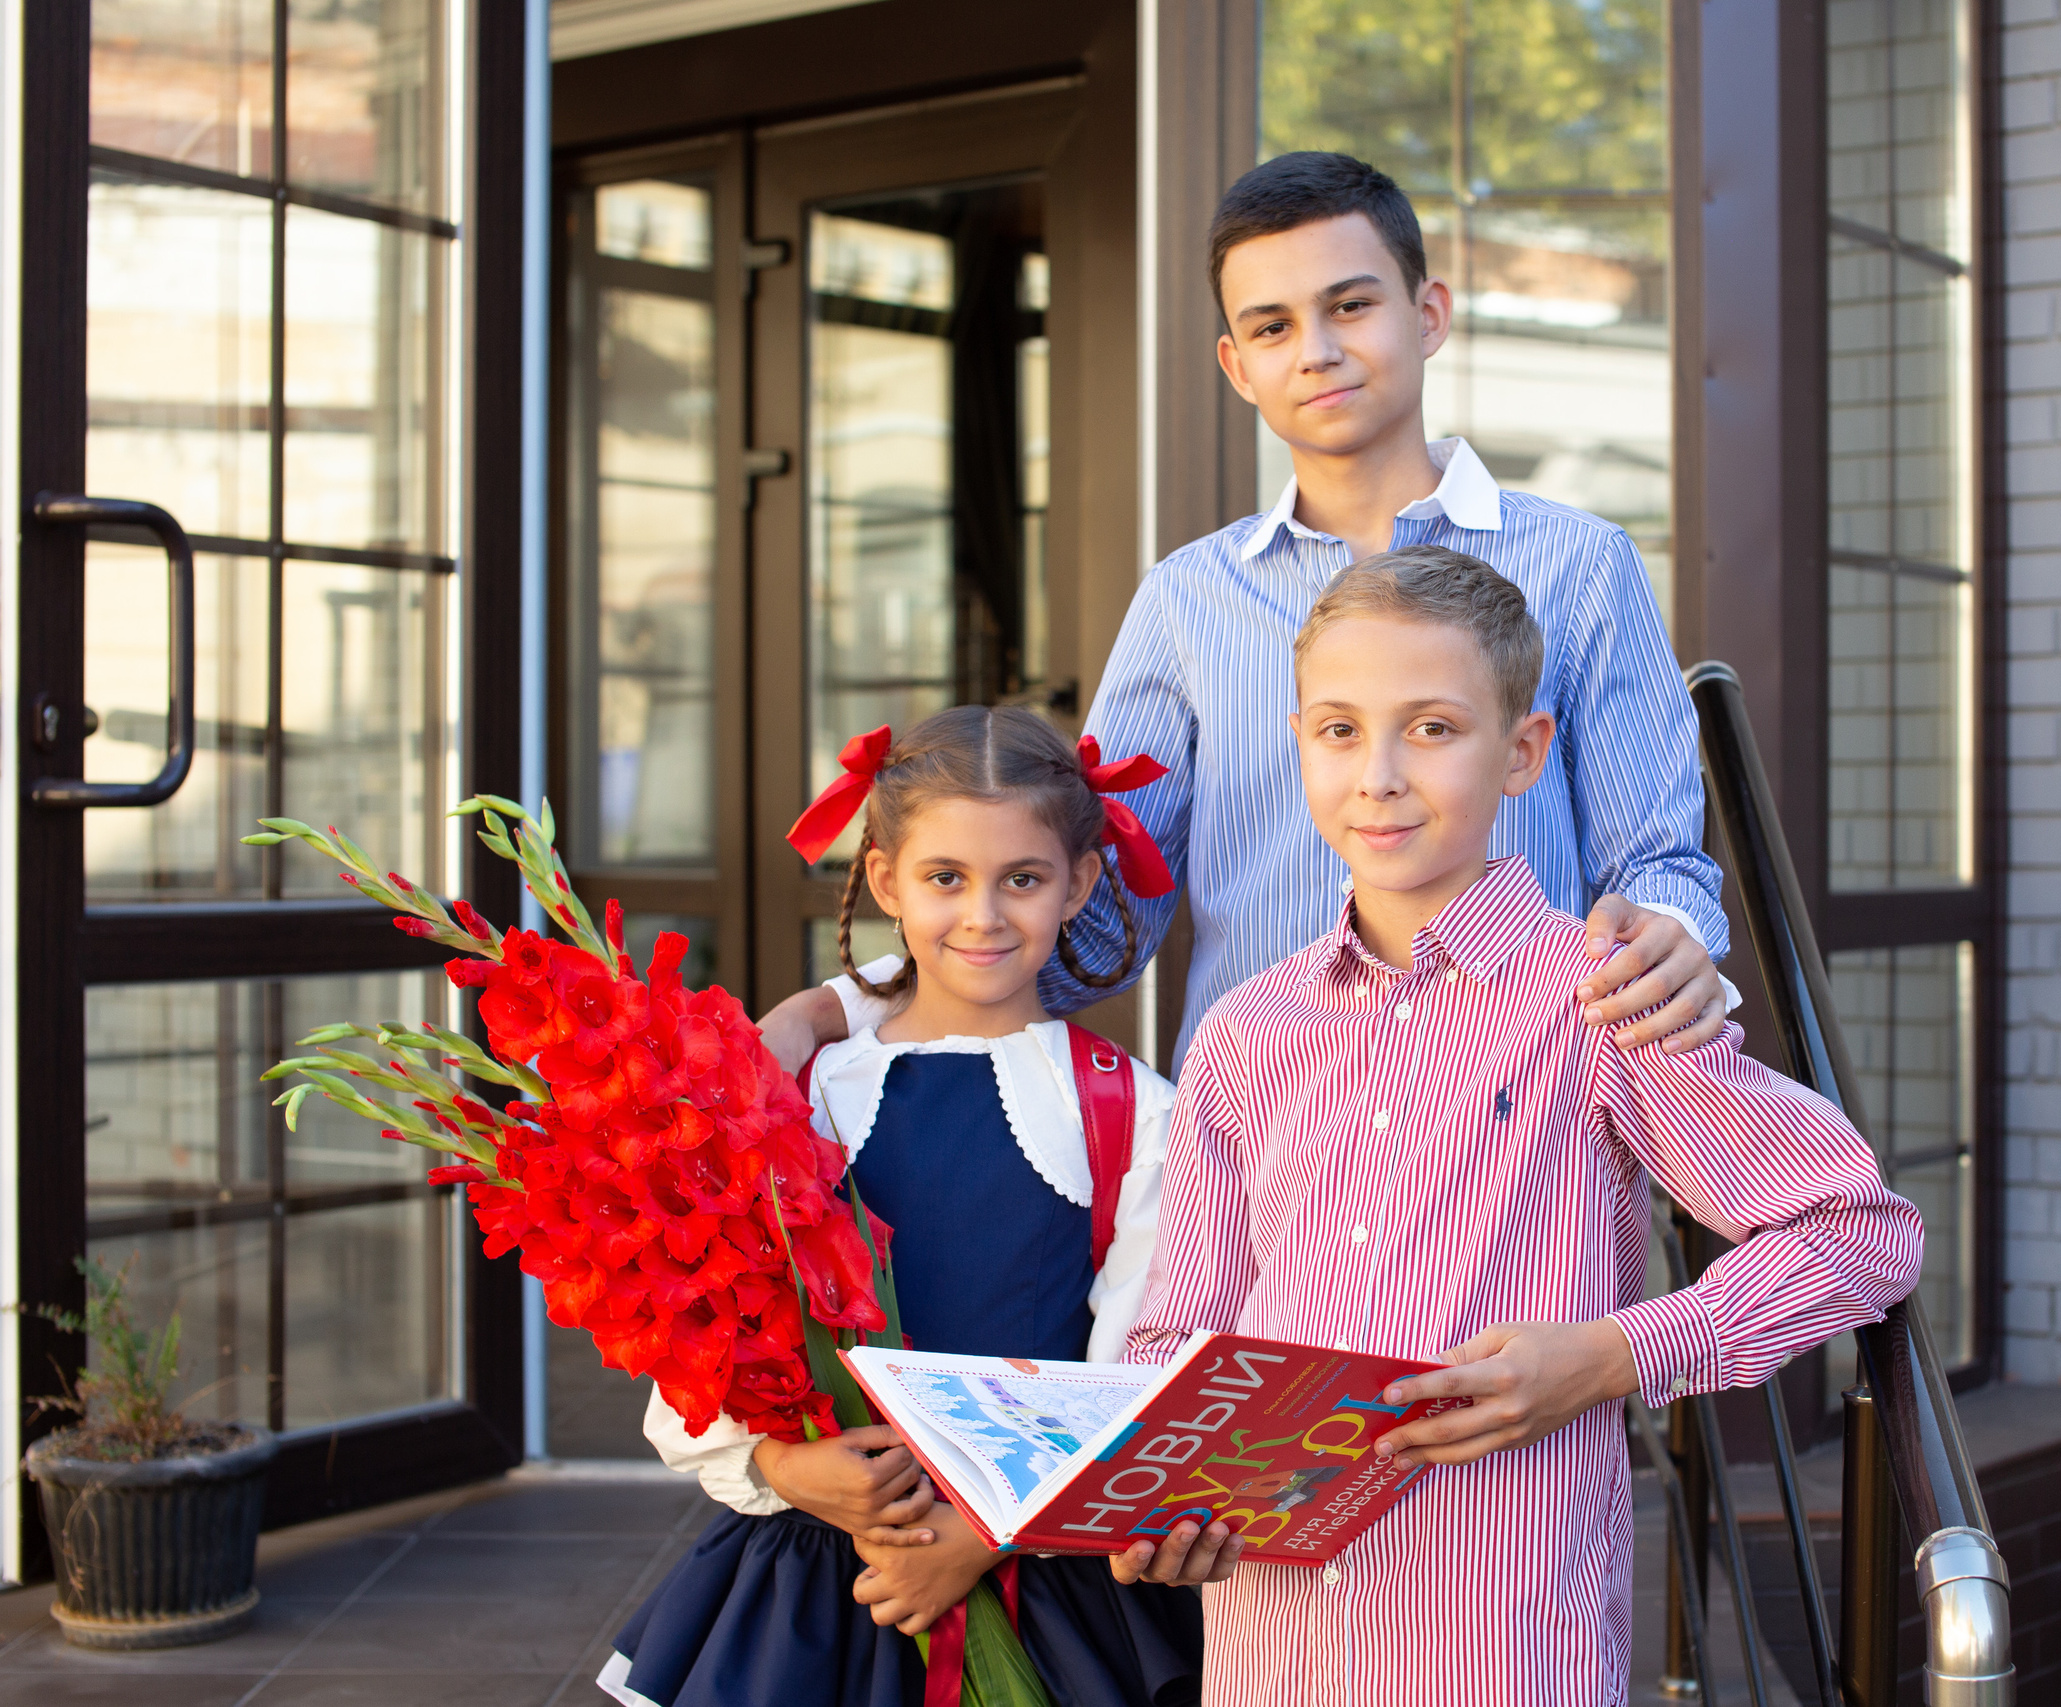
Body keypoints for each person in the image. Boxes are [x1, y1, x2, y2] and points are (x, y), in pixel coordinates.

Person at [1107, 548, 1924, 1706]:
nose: (1379, 776)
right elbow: (1178, 1343)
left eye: (1431, 728)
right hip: (1271, 1650)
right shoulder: (1246, 1030)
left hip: (1494, 1644)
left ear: (1522, 753)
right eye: (1339, 731)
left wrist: (1614, 1356)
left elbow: (1860, 1234)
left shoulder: (1599, 1001)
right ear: (1298, 744)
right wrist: (1166, 1496)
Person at [762, 149, 1736, 1078]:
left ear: (1427, 313)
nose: (1315, 351)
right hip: (1262, 1138)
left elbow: (1654, 857)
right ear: (1236, 365)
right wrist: (847, 1005)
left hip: (1518, 1136)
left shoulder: (1579, 564)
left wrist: (1667, 940)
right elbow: (1089, 912)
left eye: (1349, 306)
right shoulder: (1188, 600)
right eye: (1271, 327)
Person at [602, 706, 1207, 1707]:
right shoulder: (798, 1096)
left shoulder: (1135, 1114)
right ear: (884, 878)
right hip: (815, 1581)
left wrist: (976, 1537)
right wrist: (783, 1470)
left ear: (1081, 882)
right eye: (944, 879)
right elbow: (701, 1348)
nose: (984, 916)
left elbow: (1134, 1376)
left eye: (1023, 878)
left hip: (1037, 1583)